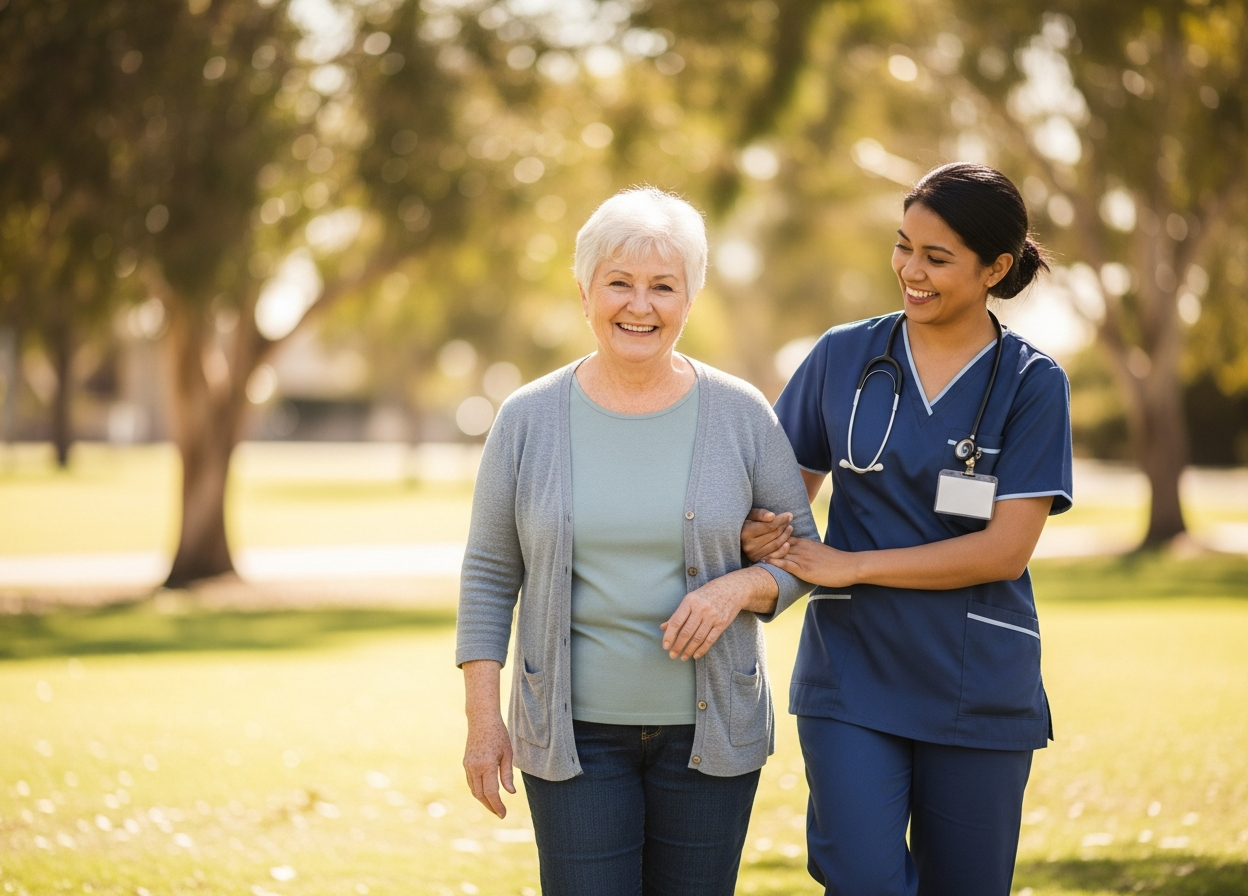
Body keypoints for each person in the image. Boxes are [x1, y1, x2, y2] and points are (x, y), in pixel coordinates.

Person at [455, 187, 819, 896]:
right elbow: (490, 573)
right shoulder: (528, 418)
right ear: (585, 290)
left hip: (709, 738)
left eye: (663, 286)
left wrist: (738, 586)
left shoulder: (741, 413)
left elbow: (802, 552)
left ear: (691, 297)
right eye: (619, 283)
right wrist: (481, 722)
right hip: (573, 738)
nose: (639, 305)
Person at [742, 162, 1071, 896]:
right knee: (860, 878)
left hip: (975, 678)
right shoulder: (841, 357)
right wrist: (762, 533)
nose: (910, 271)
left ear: (996, 268)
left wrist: (852, 565)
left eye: (936, 257)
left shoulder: (1032, 384)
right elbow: (780, 500)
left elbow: (1004, 550)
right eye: (903, 246)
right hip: (853, 675)